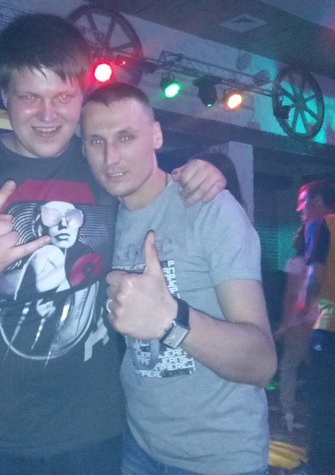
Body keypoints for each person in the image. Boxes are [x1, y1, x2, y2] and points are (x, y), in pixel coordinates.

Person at [0, 13, 226, 475]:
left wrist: (201, 173)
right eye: (29, 97)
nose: (48, 115)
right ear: (4, 95)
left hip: (92, 439)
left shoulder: (102, 162)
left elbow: (157, 183)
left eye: (63, 97)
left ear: (81, 96)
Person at [81, 81, 277, 475]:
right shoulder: (100, 219)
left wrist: (171, 321)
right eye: (96, 141)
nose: (110, 157)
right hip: (138, 446)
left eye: (125, 137)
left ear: (155, 135)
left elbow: (262, 363)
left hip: (220, 460)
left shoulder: (207, 207)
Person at [290, 180, 335, 475]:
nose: (299, 209)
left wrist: (303, 311)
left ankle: (320, 466)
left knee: (323, 402)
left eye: (303, 201)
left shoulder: (321, 225)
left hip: (329, 327)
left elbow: (315, 276)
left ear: (318, 200)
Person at [274, 226, 317, 433]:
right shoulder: (319, 263)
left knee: (289, 367)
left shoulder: (295, 263)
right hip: (320, 321)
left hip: (298, 322)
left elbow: (291, 295)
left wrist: (285, 323)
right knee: (316, 368)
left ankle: (288, 415)